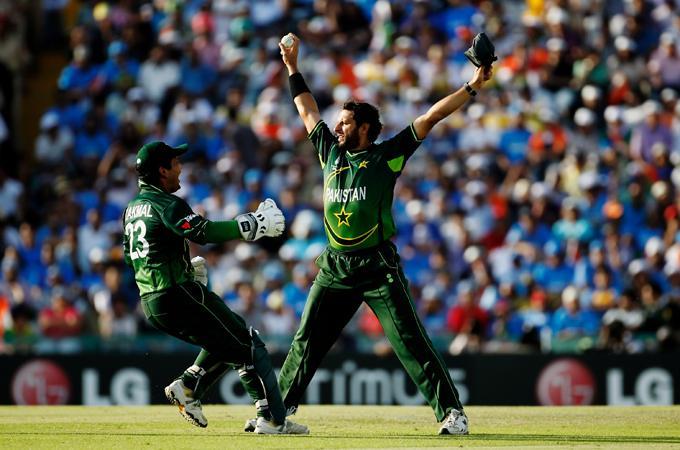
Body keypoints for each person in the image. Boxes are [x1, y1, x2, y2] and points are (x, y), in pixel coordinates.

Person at [250, 33, 492, 435]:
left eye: (345, 122)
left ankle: (453, 413)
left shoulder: (387, 156)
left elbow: (430, 117)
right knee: (306, 340)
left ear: (364, 128)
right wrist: (292, 67)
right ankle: (277, 414)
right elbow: (306, 109)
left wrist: (471, 86)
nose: (337, 127)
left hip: (377, 266)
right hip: (335, 266)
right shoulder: (330, 152)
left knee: (410, 341)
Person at [122, 141, 308, 434]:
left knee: (231, 339)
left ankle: (190, 386)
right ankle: (273, 419)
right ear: (162, 171)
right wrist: (251, 225)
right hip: (175, 293)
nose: (180, 168)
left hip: (152, 301)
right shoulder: (167, 204)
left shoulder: (132, 209)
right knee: (249, 344)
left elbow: (130, 256)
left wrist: (182, 267)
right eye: (175, 162)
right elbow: (202, 231)